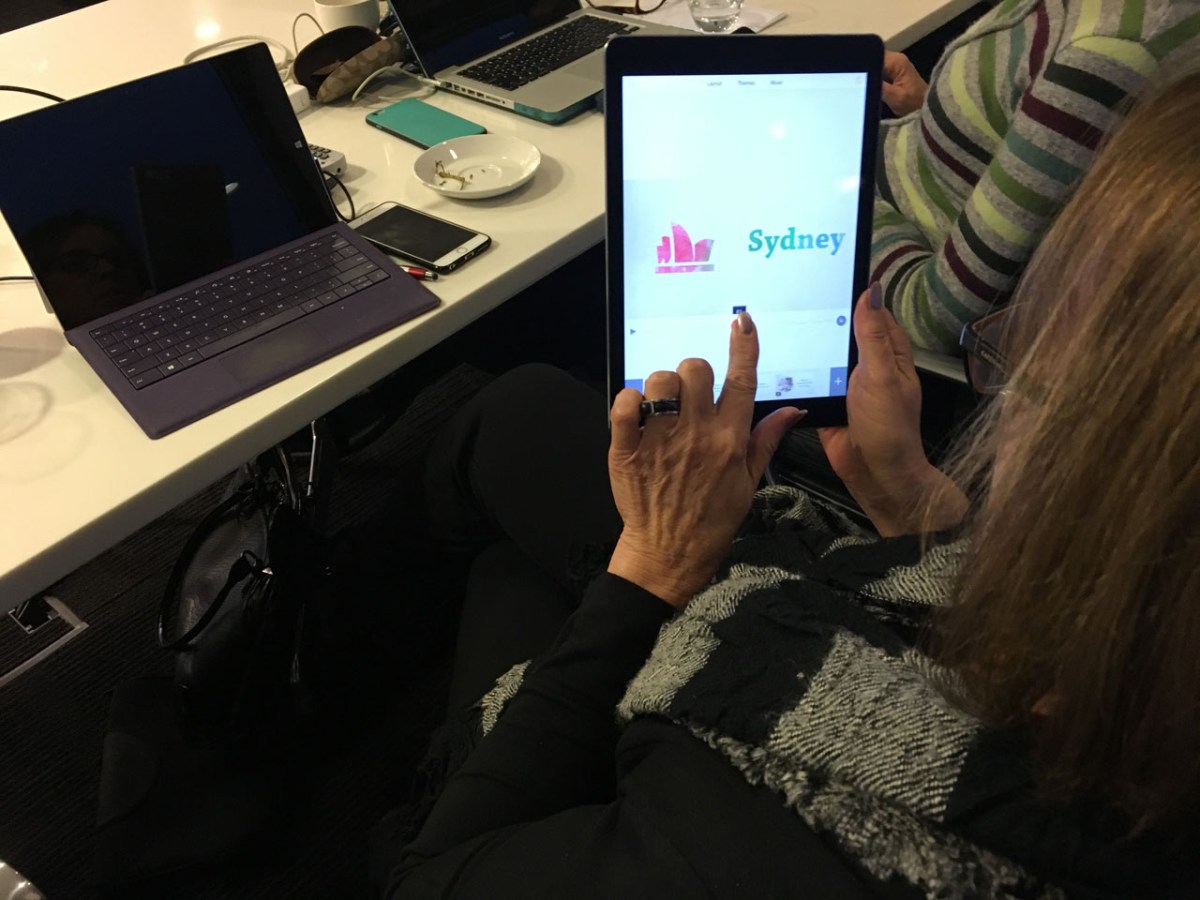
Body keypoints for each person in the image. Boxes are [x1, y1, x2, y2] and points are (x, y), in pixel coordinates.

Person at [370, 72, 1200, 898]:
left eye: (1031, 377)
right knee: (520, 412)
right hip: (822, 593)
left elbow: (426, 882)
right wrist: (913, 506)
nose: (1006, 403)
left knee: (504, 559)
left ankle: (348, 710)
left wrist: (653, 568)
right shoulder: (1131, 684)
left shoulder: (804, 829)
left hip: (623, 732)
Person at [871, 0, 1200, 353]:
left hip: (885, 245)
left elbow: (933, 317)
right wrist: (946, 113)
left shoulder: (1107, 58)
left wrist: (845, 199)